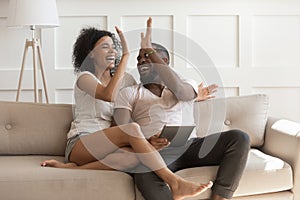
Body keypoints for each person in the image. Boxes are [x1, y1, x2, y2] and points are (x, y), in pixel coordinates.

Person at [41, 25, 213, 200]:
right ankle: (175, 182)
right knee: (131, 129)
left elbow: (139, 99)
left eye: (113, 47)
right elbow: (108, 95)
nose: (112, 51)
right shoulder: (85, 78)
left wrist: (192, 97)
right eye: (104, 46)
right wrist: (125, 56)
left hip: (112, 143)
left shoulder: (127, 80)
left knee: (136, 158)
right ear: (91, 53)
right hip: (83, 141)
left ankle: (75, 169)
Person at [113, 17, 250, 200]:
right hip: (156, 153)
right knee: (143, 169)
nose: (141, 61)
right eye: (139, 58)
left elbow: (181, 92)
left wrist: (149, 49)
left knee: (239, 138)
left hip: (190, 146)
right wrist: (146, 141)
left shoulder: (186, 83)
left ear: (165, 61)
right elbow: (121, 129)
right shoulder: (129, 93)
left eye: (147, 56)